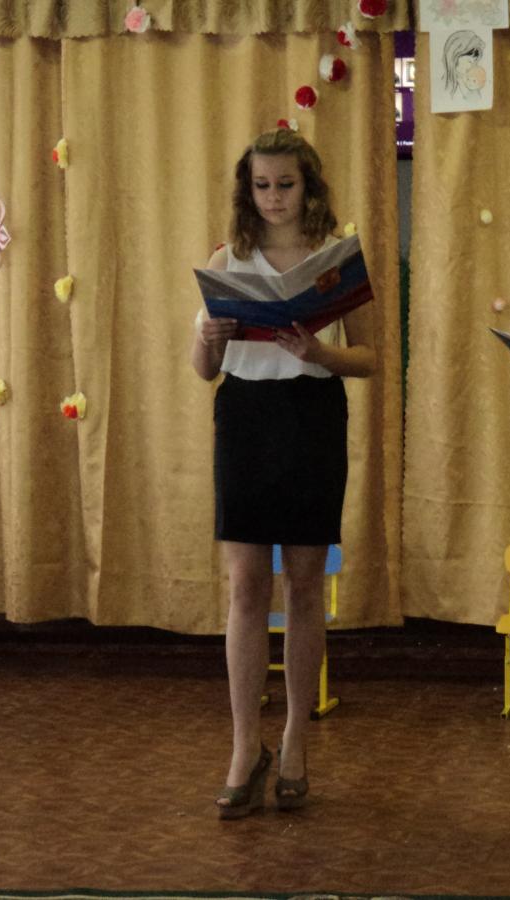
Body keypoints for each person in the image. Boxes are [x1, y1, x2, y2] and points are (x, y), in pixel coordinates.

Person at [191, 128, 375, 819]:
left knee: (303, 584)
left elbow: (372, 357)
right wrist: (209, 338)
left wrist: (319, 352)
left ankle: (296, 738)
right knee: (246, 585)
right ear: (249, 190)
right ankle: (246, 745)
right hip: (245, 416)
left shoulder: (336, 260)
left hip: (311, 414)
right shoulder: (228, 259)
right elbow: (204, 369)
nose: (273, 197)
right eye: (262, 185)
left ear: (310, 187)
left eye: (285, 185)